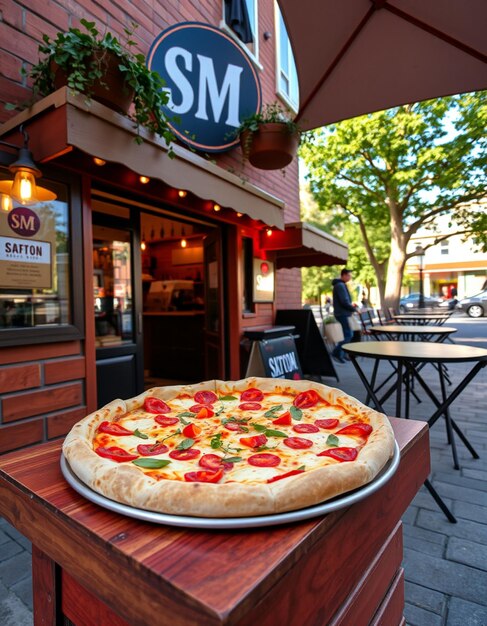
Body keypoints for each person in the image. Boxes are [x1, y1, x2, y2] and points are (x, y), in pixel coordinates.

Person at [332, 268, 355, 363]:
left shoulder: (340, 285)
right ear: (344, 275)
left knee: (348, 334)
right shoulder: (340, 285)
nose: (350, 277)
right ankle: (337, 353)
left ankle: (342, 354)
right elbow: (344, 301)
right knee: (348, 334)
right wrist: (353, 309)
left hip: (342, 313)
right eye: (349, 275)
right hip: (342, 313)